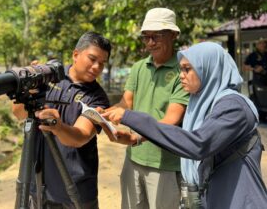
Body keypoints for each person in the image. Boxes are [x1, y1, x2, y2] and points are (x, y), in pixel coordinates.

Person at [102, 42, 267, 209]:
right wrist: (135, 138)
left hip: (240, 201)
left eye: (187, 69)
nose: (181, 75)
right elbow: (183, 141)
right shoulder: (200, 104)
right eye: (180, 69)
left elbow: (197, 144)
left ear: (208, 68)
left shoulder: (234, 107)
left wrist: (131, 117)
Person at [12, 31, 111, 209]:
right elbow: (18, 113)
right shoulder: (47, 76)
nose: (97, 67)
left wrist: (58, 127)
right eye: (92, 59)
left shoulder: (98, 98)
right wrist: (27, 90)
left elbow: (80, 137)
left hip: (76, 190)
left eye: (102, 63)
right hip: (38, 183)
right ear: (75, 55)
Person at [107, 7, 189, 209]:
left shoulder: (184, 69)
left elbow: (172, 119)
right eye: (146, 37)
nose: (150, 43)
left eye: (157, 36)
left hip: (166, 163)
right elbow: (126, 103)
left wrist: (137, 138)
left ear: (173, 35)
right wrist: (103, 113)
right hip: (133, 159)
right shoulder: (139, 67)